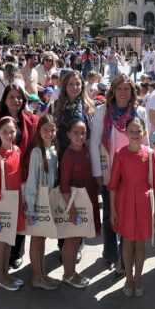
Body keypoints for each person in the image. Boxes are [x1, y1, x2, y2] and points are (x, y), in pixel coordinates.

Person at [90, 75, 149, 273]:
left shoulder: (139, 112)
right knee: (109, 215)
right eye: (119, 88)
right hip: (109, 171)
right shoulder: (102, 111)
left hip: (133, 174)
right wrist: (97, 172)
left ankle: (125, 256)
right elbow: (94, 143)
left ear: (132, 92)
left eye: (127, 89)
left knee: (129, 215)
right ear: (113, 91)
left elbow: (145, 144)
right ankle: (110, 254)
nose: (123, 92)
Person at [107, 116, 155, 297]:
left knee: (140, 243)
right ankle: (128, 278)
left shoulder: (150, 154)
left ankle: (138, 278)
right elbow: (113, 185)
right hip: (124, 202)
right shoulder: (120, 153)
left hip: (143, 203)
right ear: (125, 133)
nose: (135, 134)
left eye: (138, 131)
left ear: (144, 132)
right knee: (127, 242)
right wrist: (113, 209)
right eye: (131, 131)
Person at [0, 116, 26, 292]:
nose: (9, 135)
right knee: (1, 241)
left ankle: (6, 274)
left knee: (9, 240)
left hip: (15, 202)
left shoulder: (17, 150)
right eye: (5, 132)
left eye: (12, 131)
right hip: (2, 205)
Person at [59, 119, 99, 288]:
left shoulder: (85, 149)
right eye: (75, 132)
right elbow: (64, 184)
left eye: (83, 133)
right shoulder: (69, 155)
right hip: (75, 203)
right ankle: (68, 274)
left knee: (77, 239)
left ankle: (72, 272)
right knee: (71, 239)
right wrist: (72, 209)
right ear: (68, 134)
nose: (80, 136)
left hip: (86, 199)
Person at [24, 115, 60, 290]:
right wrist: (31, 208)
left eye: (52, 129)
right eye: (46, 129)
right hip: (38, 202)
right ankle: (37, 276)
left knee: (42, 238)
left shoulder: (54, 149)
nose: (49, 133)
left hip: (50, 200)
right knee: (37, 238)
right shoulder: (37, 152)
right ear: (39, 131)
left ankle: (42, 273)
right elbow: (32, 181)